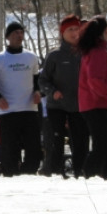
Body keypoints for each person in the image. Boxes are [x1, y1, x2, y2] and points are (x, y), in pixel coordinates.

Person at [0, 21, 43, 177]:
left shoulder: (31, 57)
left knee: (34, 147)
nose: (19, 36)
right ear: (7, 37)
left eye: (21, 32)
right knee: (10, 149)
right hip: (8, 111)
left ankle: (28, 174)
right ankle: (10, 176)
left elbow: (37, 80)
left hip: (29, 109)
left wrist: (38, 92)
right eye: (15, 33)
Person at [39, 14, 88, 177]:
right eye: (70, 30)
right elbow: (43, 80)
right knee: (56, 143)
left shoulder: (85, 53)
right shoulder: (55, 55)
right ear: (62, 33)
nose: (74, 33)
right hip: (57, 106)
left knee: (80, 142)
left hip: (79, 106)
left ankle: (80, 173)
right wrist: (52, 91)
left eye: (76, 29)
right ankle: (54, 174)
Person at [77, 15, 107, 179]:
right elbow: (94, 81)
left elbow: (102, 80)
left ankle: (105, 177)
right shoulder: (97, 52)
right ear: (103, 31)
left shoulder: (93, 51)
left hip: (95, 104)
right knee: (103, 146)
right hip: (95, 104)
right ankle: (90, 177)